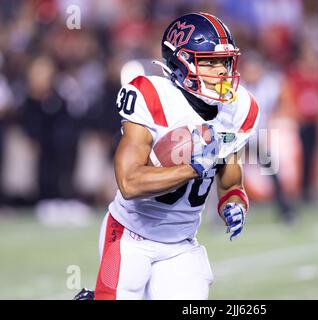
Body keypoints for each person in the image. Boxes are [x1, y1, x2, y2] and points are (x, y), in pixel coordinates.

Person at [87, 12, 259, 300]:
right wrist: (191, 168)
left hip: (181, 243)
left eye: (225, 61)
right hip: (130, 235)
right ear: (181, 62)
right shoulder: (151, 95)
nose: (221, 71)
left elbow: (230, 182)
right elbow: (129, 183)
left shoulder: (238, 108)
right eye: (210, 62)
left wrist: (235, 203)